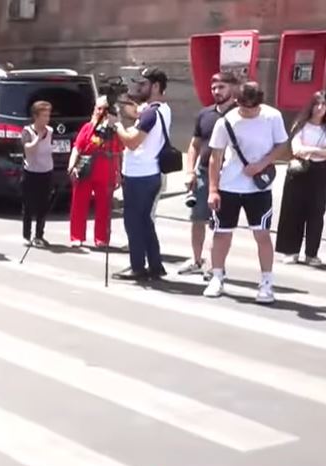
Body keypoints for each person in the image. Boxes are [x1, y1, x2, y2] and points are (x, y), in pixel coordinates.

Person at [204, 81, 288, 303]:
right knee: (222, 233)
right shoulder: (226, 121)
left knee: (262, 234)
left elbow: (282, 145)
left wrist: (261, 164)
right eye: (244, 107)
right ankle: (217, 276)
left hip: (259, 188)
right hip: (229, 185)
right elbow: (215, 157)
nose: (249, 111)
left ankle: (267, 282)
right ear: (237, 102)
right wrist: (213, 190)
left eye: (254, 107)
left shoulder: (272, 117)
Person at [112, 66, 172, 281]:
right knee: (145, 221)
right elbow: (138, 113)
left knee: (133, 221)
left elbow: (131, 142)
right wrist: (122, 104)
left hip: (140, 175)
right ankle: (155, 266)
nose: (139, 87)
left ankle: (137, 266)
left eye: (143, 84)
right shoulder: (162, 108)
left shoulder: (151, 113)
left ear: (155, 86)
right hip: (150, 173)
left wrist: (117, 125)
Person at [275, 91, 326, 267]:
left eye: (324, 104)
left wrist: (311, 150)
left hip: (321, 172)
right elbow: (297, 149)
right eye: (317, 104)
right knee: (293, 210)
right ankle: (291, 251)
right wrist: (323, 151)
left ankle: (312, 254)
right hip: (300, 171)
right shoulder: (301, 124)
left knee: (316, 212)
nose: (320, 108)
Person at [180, 72, 238, 275]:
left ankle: (216, 266)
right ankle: (197, 261)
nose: (216, 91)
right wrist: (190, 171)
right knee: (198, 219)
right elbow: (194, 145)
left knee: (221, 224)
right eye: (213, 88)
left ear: (232, 88)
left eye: (221, 87)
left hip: (229, 175)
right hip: (204, 172)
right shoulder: (205, 114)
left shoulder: (240, 115)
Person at [67, 96, 122, 248]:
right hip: (85, 169)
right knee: (79, 204)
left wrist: (118, 173)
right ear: (94, 110)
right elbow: (77, 148)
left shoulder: (114, 131)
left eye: (105, 109)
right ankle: (77, 236)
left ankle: (101, 239)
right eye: (99, 108)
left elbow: (117, 153)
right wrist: (71, 166)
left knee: (104, 207)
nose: (101, 112)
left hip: (106, 172)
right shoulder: (87, 128)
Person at [20, 100, 54, 247]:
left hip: (46, 172)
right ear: (35, 116)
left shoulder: (50, 131)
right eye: (44, 115)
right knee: (28, 205)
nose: (47, 119)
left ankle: (39, 235)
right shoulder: (27, 131)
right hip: (31, 173)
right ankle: (26, 235)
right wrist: (38, 138)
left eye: (48, 115)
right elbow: (28, 150)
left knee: (43, 206)